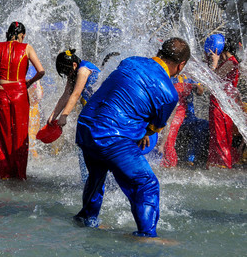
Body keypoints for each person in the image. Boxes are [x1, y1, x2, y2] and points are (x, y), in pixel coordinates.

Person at [74, 37, 190, 237]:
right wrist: (146, 134)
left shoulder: (130, 61)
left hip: (86, 126)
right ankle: (146, 236)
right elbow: (153, 128)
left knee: (97, 174)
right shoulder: (169, 93)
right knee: (147, 184)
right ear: (181, 65)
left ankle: (87, 219)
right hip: (112, 137)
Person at [0, 21, 45, 180]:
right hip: (20, 93)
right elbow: (41, 71)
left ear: (8, 34)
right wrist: (29, 82)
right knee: (20, 134)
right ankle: (20, 175)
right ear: (22, 35)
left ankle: (4, 174)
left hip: (1, 92)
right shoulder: (27, 48)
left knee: (3, 134)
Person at [47, 49, 100, 182]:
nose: (67, 75)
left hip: (103, 110)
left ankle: (100, 178)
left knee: (95, 144)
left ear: (74, 65)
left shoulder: (83, 70)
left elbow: (75, 94)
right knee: (83, 144)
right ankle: (87, 180)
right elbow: (66, 95)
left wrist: (64, 115)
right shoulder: (74, 72)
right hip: (91, 111)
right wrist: (54, 115)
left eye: (67, 71)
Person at [207, 37, 241, 168]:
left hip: (221, 107)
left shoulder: (231, 62)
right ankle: (215, 164)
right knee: (216, 138)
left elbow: (213, 79)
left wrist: (214, 62)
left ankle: (223, 166)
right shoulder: (229, 62)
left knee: (221, 139)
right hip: (220, 105)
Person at [160, 74, 203, 167]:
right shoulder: (169, 72)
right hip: (165, 108)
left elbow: (200, 92)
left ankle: (170, 164)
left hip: (179, 110)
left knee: (169, 138)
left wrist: (196, 85)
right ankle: (162, 162)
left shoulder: (188, 75)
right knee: (160, 137)